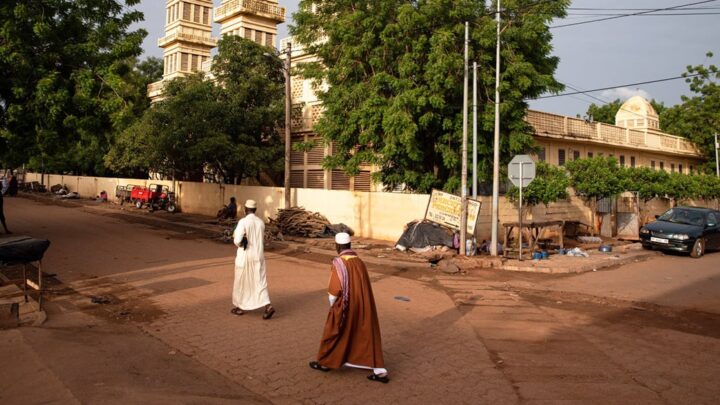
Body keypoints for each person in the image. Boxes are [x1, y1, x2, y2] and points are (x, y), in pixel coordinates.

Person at [309, 232, 389, 383]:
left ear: (337, 246)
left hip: (347, 305)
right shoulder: (359, 261)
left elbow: (334, 291)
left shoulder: (339, 262)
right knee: (365, 334)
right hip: (364, 304)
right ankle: (379, 370)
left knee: (333, 331)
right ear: (350, 245)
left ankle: (325, 362)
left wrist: (334, 307)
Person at [230, 199, 275, 319]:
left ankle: (240, 307)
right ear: (255, 210)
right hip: (258, 256)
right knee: (260, 281)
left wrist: (240, 242)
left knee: (241, 281)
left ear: (245, 209)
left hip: (245, 257)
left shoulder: (243, 222)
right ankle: (268, 306)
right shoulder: (261, 222)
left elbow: (237, 240)